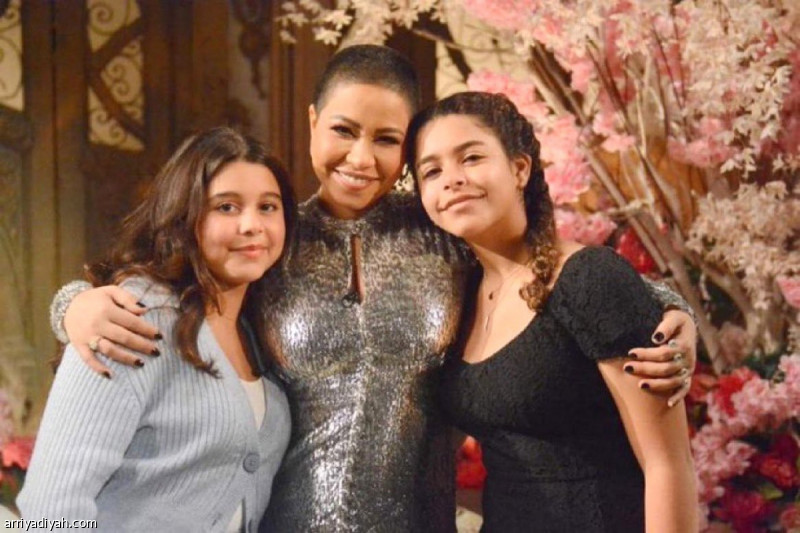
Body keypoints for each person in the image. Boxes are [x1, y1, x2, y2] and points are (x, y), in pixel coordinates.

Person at [48, 46, 697, 532]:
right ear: (313, 121)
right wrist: (71, 305)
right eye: (343, 130)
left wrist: (675, 312)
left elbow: (560, 276)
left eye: (387, 140)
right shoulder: (270, 238)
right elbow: (169, 280)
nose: (361, 157)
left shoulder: (446, 235)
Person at [408, 91, 698, 531]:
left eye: (471, 158)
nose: (452, 179)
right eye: (432, 171)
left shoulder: (590, 277)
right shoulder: (458, 294)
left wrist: (682, 312)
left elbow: (668, 464)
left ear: (519, 169)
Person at [18, 127, 297, 533]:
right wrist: (69, 305)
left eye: (268, 207)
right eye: (227, 207)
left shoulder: (262, 329)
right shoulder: (133, 317)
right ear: (185, 216)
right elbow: (50, 509)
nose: (252, 224)